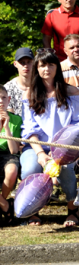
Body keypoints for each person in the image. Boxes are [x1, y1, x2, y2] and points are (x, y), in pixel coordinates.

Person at [20, 49, 79, 227]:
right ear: (37, 68)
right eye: (42, 65)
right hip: (37, 146)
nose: (47, 69)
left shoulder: (71, 92)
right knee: (30, 168)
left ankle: (72, 209)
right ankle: (33, 211)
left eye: (51, 64)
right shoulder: (29, 94)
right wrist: (40, 155)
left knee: (65, 168)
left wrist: (65, 149)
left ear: (57, 68)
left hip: (66, 146)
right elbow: (29, 129)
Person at [0, 85, 21, 224]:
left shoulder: (16, 120)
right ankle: (5, 206)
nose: (1, 102)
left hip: (8, 155)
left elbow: (14, 150)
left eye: (3, 98)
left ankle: (2, 201)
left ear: (9, 100)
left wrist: (6, 127)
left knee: (12, 170)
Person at [7, 48, 34, 115]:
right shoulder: (8, 88)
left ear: (34, 62)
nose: (26, 66)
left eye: (29, 62)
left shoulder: (42, 85)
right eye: (22, 63)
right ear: (15, 64)